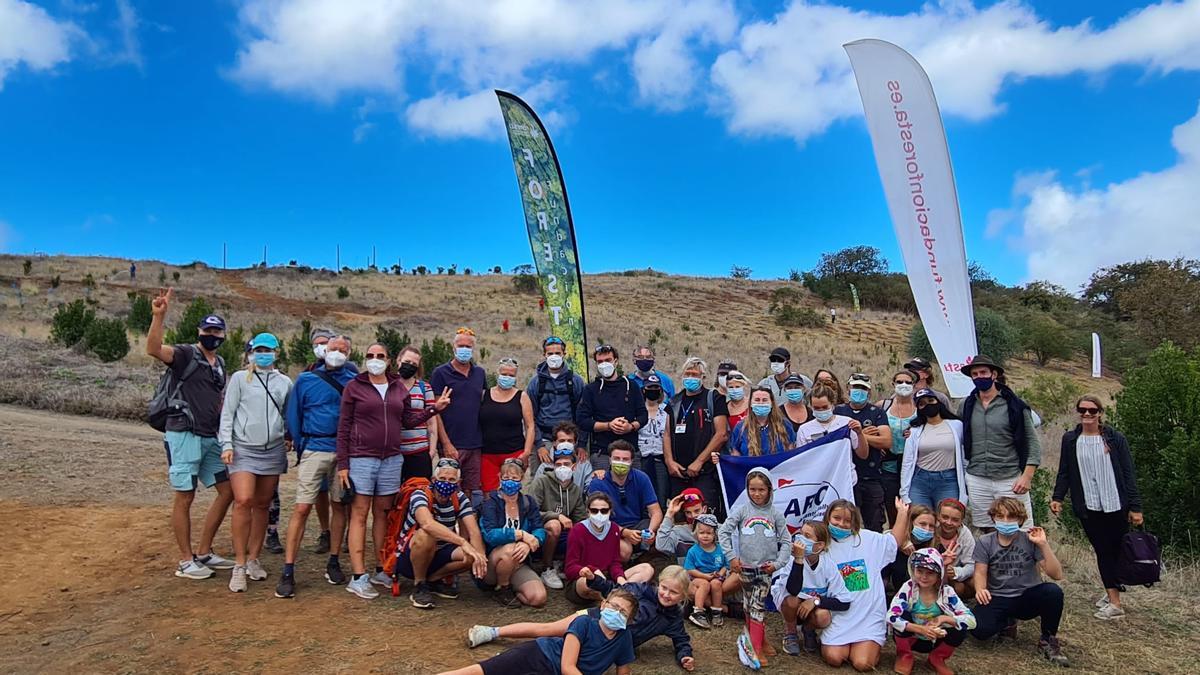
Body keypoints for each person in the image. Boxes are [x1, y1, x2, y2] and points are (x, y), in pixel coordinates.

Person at [336, 343, 452, 600]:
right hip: (362, 458)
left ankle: (381, 568)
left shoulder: (397, 387)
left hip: (391, 459)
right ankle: (358, 576)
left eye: (380, 356)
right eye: (370, 356)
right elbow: (343, 427)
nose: (374, 360)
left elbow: (408, 419)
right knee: (359, 514)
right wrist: (343, 464)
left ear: (389, 361)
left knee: (383, 514)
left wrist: (435, 409)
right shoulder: (354, 386)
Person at [145, 288, 236, 580]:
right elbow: (154, 349)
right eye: (207, 329)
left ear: (223, 335)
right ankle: (186, 561)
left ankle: (205, 551)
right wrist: (159, 317)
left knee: (228, 490)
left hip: (210, 437)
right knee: (185, 496)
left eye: (216, 331)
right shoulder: (185, 354)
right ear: (199, 331)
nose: (212, 335)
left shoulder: (220, 365)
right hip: (183, 433)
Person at [468, 566, 697, 672]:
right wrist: (593, 580)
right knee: (547, 630)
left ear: (683, 596)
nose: (666, 595)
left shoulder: (673, 618)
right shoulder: (639, 589)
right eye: (664, 588)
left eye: (673, 593)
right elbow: (611, 588)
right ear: (659, 583)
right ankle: (492, 632)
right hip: (594, 621)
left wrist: (685, 655)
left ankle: (512, 661)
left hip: (612, 641)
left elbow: (681, 639)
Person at [1051, 395, 1143, 621]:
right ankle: (1114, 601)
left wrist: (1135, 506)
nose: (1087, 415)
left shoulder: (1114, 439)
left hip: (1115, 504)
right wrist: (1058, 497)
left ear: (1100, 413)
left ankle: (1112, 594)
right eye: (1083, 410)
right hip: (1088, 506)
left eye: (1092, 411)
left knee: (1117, 551)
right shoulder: (1071, 439)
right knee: (1102, 551)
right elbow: (1065, 471)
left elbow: (1128, 473)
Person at [277, 335, 355, 598]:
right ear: (324, 351)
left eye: (342, 350)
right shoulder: (307, 380)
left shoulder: (353, 381)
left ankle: (333, 560)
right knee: (301, 507)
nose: (337, 353)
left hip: (343, 453)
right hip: (314, 448)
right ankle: (288, 569)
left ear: (350, 353)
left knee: (339, 506)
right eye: (333, 348)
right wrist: (302, 446)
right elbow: (294, 416)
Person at [218, 332, 293, 592]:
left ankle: (253, 558)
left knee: (262, 504)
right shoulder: (240, 379)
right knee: (243, 500)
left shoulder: (284, 382)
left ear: (276, 352)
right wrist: (226, 444)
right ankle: (238, 565)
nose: (263, 354)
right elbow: (227, 414)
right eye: (259, 349)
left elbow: (287, 414)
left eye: (268, 349)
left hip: (272, 450)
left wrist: (289, 436)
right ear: (251, 352)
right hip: (243, 449)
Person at [444, 587, 640, 675]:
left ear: (629, 620)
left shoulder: (624, 638)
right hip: (540, 655)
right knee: (479, 671)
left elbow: (623, 671)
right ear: (603, 605)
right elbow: (567, 667)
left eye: (623, 612)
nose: (617, 613)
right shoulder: (583, 623)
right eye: (614, 606)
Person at [971, 497, 1069, 667]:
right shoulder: (985, 542)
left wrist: (1044, 545)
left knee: (1053, 592)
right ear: (993, 518)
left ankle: (1048, 639)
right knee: (979, 631)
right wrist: (980, 589)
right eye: (1001, 516)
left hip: (1026, 596)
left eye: (1011, 517)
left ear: (1021, 520)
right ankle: (1007, 623)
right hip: (998, 596)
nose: (1006, 521)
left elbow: (1057, 574)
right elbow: (980, 572)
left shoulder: (1030, 540)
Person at [820, 497, 911, 671]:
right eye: (837, 518)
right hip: (840, 615)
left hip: (868, 615)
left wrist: (902, 513)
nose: (841, 524)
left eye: (847, 521)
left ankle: (867, 645)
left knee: (863, 664)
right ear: (828, 518)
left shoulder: (868, 539)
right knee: (835, 658)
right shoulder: (823, 544)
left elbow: (894, 542)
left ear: (854, 522)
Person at [719, 467, 792, 669]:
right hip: (744, 569)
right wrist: (732, 557)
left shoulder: (775, 514)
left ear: (769, 490)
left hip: (764, 571)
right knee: (748, 606)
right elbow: (723, 532)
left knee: (757, 607)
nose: (757, 494)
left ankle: (756, 649)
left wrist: (778, 563)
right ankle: (762, 640)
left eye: (761, 489)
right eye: (752, 489)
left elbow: (786, 541)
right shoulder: (742, 511)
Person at [957, 355, 1041, 530]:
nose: (980, 376)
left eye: (983, 372)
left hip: (1010, 478)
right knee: (986, 528)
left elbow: (1032, 442)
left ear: (994, 375)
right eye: (975, 374)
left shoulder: (1015, 406)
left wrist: (1026, 477)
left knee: (1021, 528)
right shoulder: (966, 405)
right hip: (977, 477)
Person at [395, 458, 489, 609]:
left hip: (441, 551)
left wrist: (480, 558)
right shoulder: (420, 495)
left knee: (472, 555)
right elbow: (427, 523)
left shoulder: (460, 498)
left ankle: (432, 580)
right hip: (410, 555)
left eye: (452, 480)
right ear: (433, 479)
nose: (446, 483)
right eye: (442, 478)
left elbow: (474, 531)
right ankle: (419, 584)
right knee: (426, 535)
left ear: (458, 482)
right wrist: (463, 542)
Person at [887, 548, 976, 675]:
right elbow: (891, 616)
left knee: (959, 626)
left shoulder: (947, 592)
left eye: (930, 573)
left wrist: (943, 619)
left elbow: (972, 620)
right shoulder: (908, 588)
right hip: (913, 638)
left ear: (938, 574)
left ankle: (937, 658)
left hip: (936, 639)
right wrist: (920, 629)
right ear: (913, 570)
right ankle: (904, 655)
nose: (923, 577)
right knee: (902, 615)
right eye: (920, 571)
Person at [772, 520, 852, 657]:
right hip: (791, 603)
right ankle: (791, 633)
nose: (801, 539)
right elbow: (792, 590)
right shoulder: (790, 560)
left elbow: (845, 602)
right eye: (801, 533)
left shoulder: (828, 565)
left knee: (824, 616)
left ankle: (808, 629)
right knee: (792, 600)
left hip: (811, 607)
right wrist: (798, 560)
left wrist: (816, 601)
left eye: (807, 536)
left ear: (819, 545)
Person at [564, 492, 655, 604]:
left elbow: (615, 562)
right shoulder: (577, 530)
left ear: (610, 511)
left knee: (647, 569)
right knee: (586, 584)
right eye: (594, 510)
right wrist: (592, 571)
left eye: (604, 511)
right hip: (585, 577)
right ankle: (620, 596)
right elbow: (570, 568)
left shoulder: (613, 529)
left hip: (608, 578)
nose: (599, 514)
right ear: (587, 511)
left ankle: (618, 595)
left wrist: (620, 578)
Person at [480, 458, 548, 608]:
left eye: (514, 478)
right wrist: (521, 535)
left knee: (539, 598)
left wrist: (531, 543)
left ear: (522, 478)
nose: (510, 482)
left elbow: (539, 528)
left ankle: (513, 587)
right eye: (506, 478)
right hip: (493, 562)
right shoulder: (490, 503)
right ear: (500, 477)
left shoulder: (528, 502)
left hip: (518, 561)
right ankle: (501, 588)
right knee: (510, 549)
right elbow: (490, 535)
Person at [664, 357, 728, 510]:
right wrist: (669, 462)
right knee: (679, 515)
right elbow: (666, 433)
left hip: (704, 472)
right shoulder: (674, 401)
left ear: (703, 377)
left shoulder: (714, 398)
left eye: (694, 374)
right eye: (688, 374)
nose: (690, 378)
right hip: (678, 472)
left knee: (705, 515)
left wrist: (699, 461)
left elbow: (721, 434)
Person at [431, 327, 487, 503]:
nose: (465, 349)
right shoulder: (440, 373)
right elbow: (436, 412)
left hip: (475, 444)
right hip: (452, 443)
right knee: (448, 488)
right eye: (461, 345)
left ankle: (466, 529)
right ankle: (447, 527)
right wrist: (446, 443)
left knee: (470, 492)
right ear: (453, 347)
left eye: (468, 346)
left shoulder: (480, 373)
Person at [588, 441, 664, 561]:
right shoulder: (598, 483)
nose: (620, 462)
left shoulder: (641, 477)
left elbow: (656, 512)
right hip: (609, 527)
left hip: (637, 526)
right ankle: (625, 562)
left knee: (662, 529)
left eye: (625, 459)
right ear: (609, 460)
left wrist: (650, 531)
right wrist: (624, 532)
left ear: (631, 461)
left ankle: (642, 555)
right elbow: (596, 518)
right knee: (624, 551)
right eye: (617, 458)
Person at [526, 442, 587, 589]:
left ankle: (566, 564)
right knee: (554, 525)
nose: (562, 467)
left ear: (574, 466)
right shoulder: (542, 482)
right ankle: (547, 569)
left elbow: (580, 517)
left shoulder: (575, 490)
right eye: (558, 464)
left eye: (566, 463)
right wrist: (556, 516)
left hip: (563, 534)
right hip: (539, 531)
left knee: (582, 530)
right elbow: (530, 511)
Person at [576, 345, 646, 472]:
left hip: (629, 452)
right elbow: (582, 420)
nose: (604, 364)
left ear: (616, 361)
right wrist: (608, 425)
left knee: (633, 489)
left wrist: (631, 426)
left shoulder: (632, 386)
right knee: (602, 490)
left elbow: (643, 415)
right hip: (602, 453)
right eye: (600, 362)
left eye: (607, 360)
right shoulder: (590, 389)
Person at [304, 327, 342, 552]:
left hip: (340, 442)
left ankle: (342, 534)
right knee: (320, 490)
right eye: (317, 343)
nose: (321, 347)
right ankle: (324, 531)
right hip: (317, 442)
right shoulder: (309, 372)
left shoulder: (348, 370)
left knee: (341, 494)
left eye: (325, 342)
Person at [528, 336, 588, 471]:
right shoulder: (536, 383)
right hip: (544, 438)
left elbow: (584, 415)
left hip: (570, 438)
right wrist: (539, 445)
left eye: (557, 353)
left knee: (572, 475)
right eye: (550, 353)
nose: (554, 357)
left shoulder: (576, 381)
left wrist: (582, 444)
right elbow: (530, 417)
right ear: (544, 355)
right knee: (540, 477)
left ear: (564, 355)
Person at [900, 389, 967, 511]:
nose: (928, 405)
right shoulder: (915, 431)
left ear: (938, 402)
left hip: (948, 480)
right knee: (920, 519)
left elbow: (964, 455)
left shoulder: (957, 425)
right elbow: (907, 461)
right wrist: (904, 491)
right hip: (920, 481)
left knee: (946, 520)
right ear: (918, 409)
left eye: (931, 401)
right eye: (922, 404)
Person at [479, 357, 535, 496]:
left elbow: (530, 426)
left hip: (514, 452)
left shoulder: (522, 396)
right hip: (487, 454)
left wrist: (527, 452)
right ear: (498, 373)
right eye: (504, 374)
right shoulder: (484, 394)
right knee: (489, 495)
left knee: (512, 492)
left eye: (511, 375)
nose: (507, 377)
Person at [879, 371, 917, 527]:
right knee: (892, 508)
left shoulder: (920, 408)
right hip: (888, 467)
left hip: (913, 468)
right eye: (900, 381)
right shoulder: (882, 406)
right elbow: (872, 430)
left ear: (914, 385)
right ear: (893, 384)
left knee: (913, 511)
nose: (904, 385)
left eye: (908, 382)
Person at [397, 345, 440, 483]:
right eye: (407, 362)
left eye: (414, 364)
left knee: (419, 494)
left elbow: (432, 422)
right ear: (399, 360)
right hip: (394, 453)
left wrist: (432, 451)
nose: (410, 366)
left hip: (419, 452)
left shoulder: (424, 387)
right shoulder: (389, 385)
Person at [684, 514, 736, 629]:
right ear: (696, 534)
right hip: (697, 578)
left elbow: (726, 565)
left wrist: (720, 574)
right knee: (704, 584)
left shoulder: (721, 549)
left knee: (715, 583)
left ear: (715, 534)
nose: (705, 536)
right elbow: (690, 569)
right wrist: (704, 576)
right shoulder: (693, 551)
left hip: (716, 577)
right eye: (702, 533)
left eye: (709, 533)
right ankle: (698, 611)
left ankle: (716, 611)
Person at [636, 374, 672, 508]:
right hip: (642, 458)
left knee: (661, 494)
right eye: (650, 387)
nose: (653, 390)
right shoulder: (637, 411)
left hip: (661, 458)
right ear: (644, 390)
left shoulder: (667, 410)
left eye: (656, 387)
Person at [728, 388, 795, 456]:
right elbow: (735, 455)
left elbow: (791, 453)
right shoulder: (740, 427)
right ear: (750, 403)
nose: (761, 403)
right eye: (757, 400)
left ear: (772, 403)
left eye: (765, 400)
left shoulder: (785, 425)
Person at [933, 498, 976, 600]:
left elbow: (971, 564)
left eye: (955, 520)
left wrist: (956, 572)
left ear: (961, 521)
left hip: (952, 574)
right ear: (938, 516)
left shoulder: (965, 534)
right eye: (945, 517)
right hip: (930, 571)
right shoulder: (930, 527)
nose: (949, 522)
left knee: (965, 586)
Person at [890, 504, 937, 589]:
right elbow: (886, 536)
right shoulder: (897, 543)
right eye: (923, 524)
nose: (927, 529)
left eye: (931, 526)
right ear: (911, 523)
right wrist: (902, 542)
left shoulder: (934, 548)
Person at [655, 487, 708, 562]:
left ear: (704, 509)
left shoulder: (718, 529)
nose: (693, 516)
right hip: (686, 573)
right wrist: (670, 513)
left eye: (697, 511)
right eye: (688, 512)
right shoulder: (678, 532)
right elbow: (661, 546)